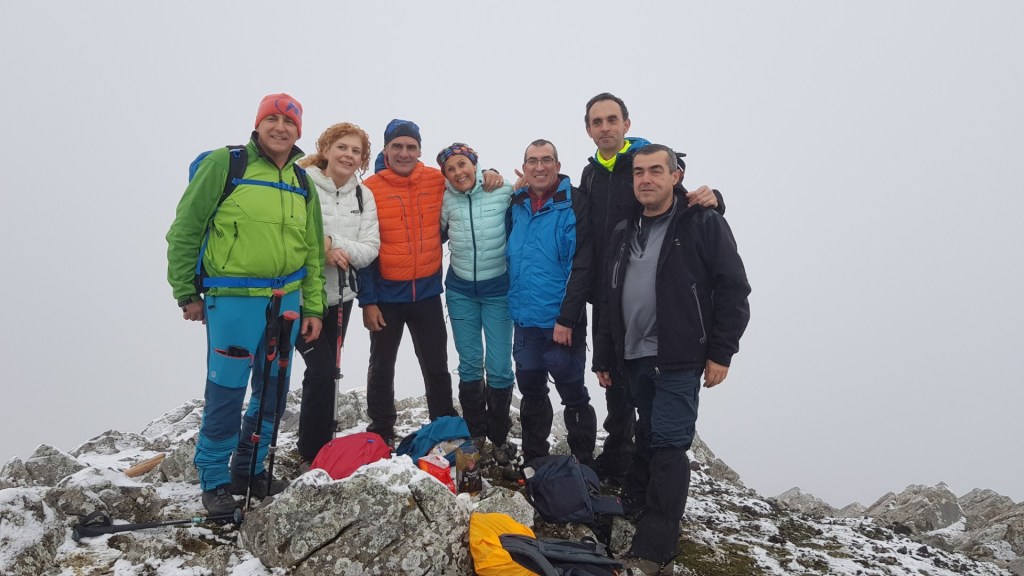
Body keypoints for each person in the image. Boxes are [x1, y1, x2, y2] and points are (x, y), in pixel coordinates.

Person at [166, 93, 326, 516]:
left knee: (272, 391)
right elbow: (185, 229)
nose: (280, 128)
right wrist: (186, 291)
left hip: (287, 300)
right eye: (272, 119)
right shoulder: (226, 164)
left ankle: (249, 470)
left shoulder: (302, 181)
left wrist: (313, 308)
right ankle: (214, 480)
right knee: (226, 391)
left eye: (289, 122)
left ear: (298, 132)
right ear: (258, 125)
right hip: (234, 299)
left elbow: (312, 250)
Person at [593, 144, 750, 574]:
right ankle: (635, 502)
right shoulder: (623, 229)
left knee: (668, 446)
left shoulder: (702, 222)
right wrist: (604, 355)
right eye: (639, 172)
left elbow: (734, 289)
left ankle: (655, 551)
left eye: (655, 171)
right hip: (633, 355)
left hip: (679, 356)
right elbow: (608, 298)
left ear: (675, 176)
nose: (646, 179)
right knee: (647, 431)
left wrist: (721, 352)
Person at [580, 92, 723, 486]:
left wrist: (716, 199)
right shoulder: (591, 174)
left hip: (649, 289)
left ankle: (643, 474)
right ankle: (618, 458)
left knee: (647, 390)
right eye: (597, 122)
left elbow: (685, 202)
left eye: (612, 119)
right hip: (609, 292)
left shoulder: (645, 162)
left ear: (626, 124)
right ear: (588, 130)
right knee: (614, 382)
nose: (605, 127)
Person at [358, 120, 503, 444]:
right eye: (397, 146)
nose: (404, 153)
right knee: (382, 366)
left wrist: (491, 173)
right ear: (386, 150)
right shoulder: (370, 188)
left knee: (436, 364)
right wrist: (368, 301)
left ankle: (443, 423)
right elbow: (365, 247)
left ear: (420, 150)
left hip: (426, 292)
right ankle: (381, 431)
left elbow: (467, 182)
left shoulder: (436, 180)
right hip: (386, 295)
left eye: (411, 146)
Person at [506, 139, 597, 468]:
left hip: (561, 323)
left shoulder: (575, 202)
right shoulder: (516, 203)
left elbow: (583, 264)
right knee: (531, 391)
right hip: (525, 321)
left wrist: (567, 318)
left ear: (558, 166)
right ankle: (534, 462)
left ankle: (584, 464)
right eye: (532, 161)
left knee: (573, 393)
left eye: (546, 160)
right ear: (524, 168)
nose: (539, 166)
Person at [295, 123, 380, 472]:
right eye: (342, 147)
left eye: (356, 151)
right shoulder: (302, 182)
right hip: (299, 298)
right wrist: (322, 251)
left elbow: (370, 249)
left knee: (327, 373)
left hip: (340, 297)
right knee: (321, 369)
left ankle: (317, 451)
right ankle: (310, 453)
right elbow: (291, 236)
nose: (348, 155)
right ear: (326, 149)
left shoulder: (363, 195)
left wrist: (333, 244)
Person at [436, 143, 516, 464]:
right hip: (460, 291)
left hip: (498, 290)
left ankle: (499, 437)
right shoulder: (444, 198)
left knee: (499, 367)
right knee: (469, 363)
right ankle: (475, 434)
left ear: (475, 164)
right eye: (450, 169)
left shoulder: (502, 190)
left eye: (462, 164)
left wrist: (498, 175)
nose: (458, 173)